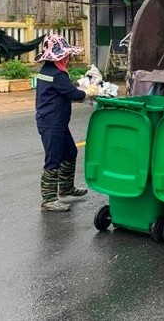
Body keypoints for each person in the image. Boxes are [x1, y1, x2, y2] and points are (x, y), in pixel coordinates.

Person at [35, 34, 97, 212]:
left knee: (70, 152)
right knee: (53, 158)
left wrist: (79, 86)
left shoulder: (48, 71)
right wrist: (89, 92)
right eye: (66, 55)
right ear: (60, 56)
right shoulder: (56, 74)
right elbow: (74, 95)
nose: (68, 57)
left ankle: (66, 188)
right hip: (51, 123)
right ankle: (48, 199)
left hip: (57, 122)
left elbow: (65, 88)